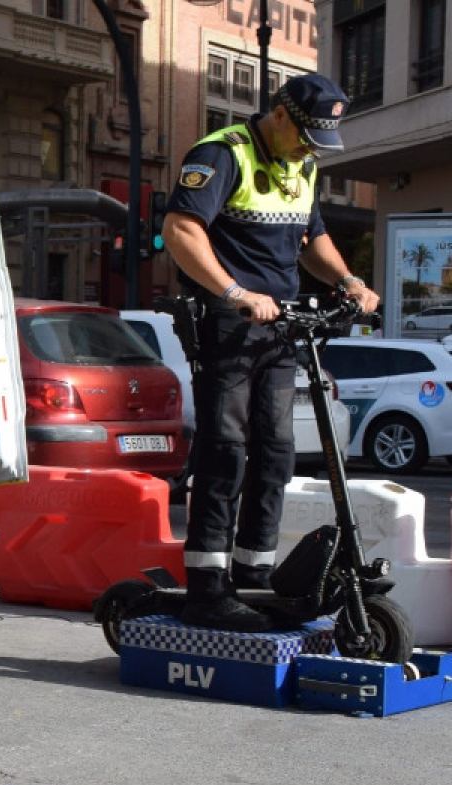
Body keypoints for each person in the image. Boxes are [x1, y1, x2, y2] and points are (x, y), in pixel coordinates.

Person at [163, 73, 380, 632]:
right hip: (231, 323)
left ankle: (254, 572)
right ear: (281, 114)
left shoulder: (301, 164)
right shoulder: (222, 154)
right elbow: (182, 229)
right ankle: (208, 587)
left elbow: (312, 241)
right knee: (226, 450)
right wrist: (235, 294)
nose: (312, 149)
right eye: (307, 136)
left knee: (277, 450)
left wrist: (352, 282)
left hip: (282, 327)